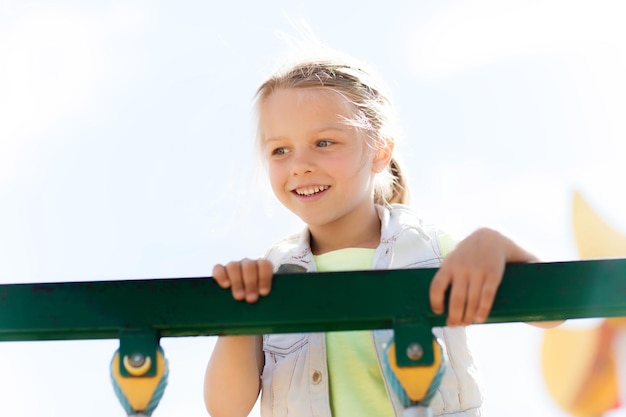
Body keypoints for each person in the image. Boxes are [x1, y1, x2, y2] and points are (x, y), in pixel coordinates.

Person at [203, 52, 540, 417]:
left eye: (324, 143)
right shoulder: (270, 275)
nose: (299, 165)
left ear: (380, 151)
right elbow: (226, 409)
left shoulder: (428, 247)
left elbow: (549, 314)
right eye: (280, 150)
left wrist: (496, 242)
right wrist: (236, 317)